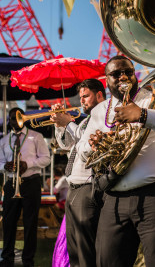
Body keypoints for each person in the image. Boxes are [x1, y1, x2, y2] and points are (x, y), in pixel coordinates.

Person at [77, 55, 155, 267]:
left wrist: (143, 115)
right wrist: (94, 145)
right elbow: (82, 149)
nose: (123, 76)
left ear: (134, 75)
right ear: (107, 80)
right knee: (107, 261)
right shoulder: (98, 111)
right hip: (114, 198)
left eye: (128, 72)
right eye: (116, 74)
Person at [50, 78, 106, 267]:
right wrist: (60, 125)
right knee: (73, 247)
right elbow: (67, 145)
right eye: (80, 97)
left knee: (85, 247)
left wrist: (68, 123)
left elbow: (92, 143)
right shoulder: (84, 122)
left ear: (99, 95)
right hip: (74, 187)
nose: (81, 101)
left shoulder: (105, 116)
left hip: (88, 186)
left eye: (86, 96)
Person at [0, 107, 51, 267]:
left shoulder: (36, 136)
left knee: (30, 222)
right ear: (9, 121)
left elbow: (46, 159)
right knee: (8, 221)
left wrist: (29, 164)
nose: (15, 120)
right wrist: (6, 166)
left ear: (24, 118)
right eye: (12, 118)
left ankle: (28, 260)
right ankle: (7, 258)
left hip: (31, 182)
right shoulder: (4, 140)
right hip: (12, 184)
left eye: (18, 117)